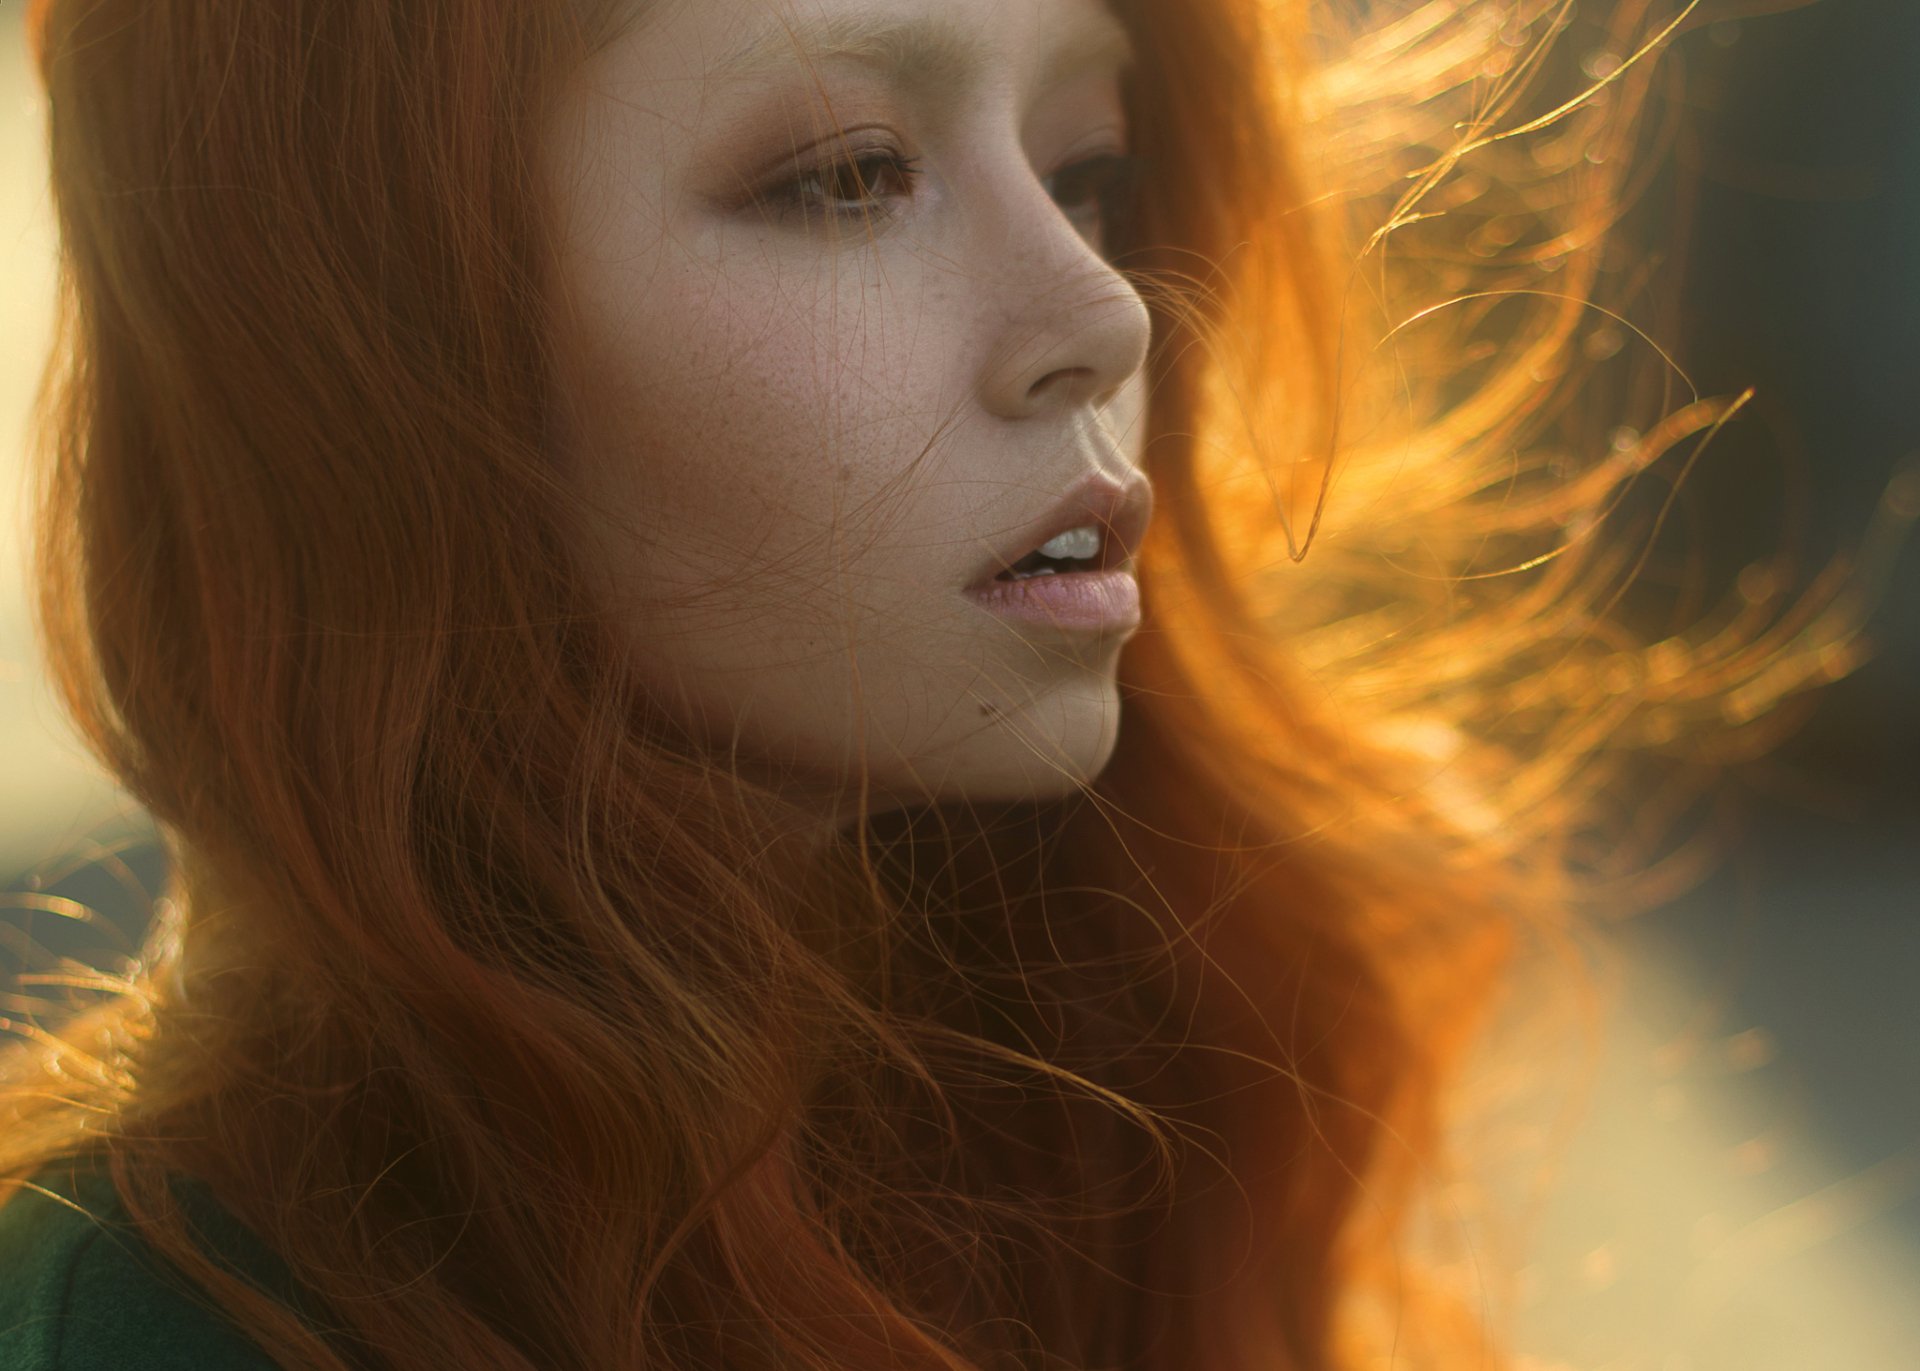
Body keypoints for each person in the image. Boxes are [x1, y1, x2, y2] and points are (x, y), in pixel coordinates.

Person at [0, 1, 1861, 1368]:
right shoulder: (148, 1327)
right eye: (853, 175)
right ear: (361, 345)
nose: (1107, 315)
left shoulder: (1103, 1108)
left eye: (1092, 170)